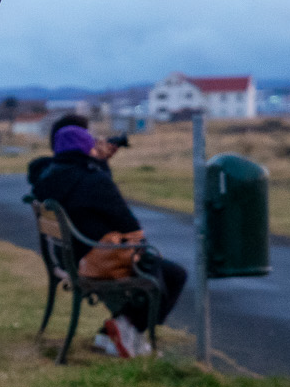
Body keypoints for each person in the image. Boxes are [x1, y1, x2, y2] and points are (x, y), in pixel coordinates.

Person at [29, 120, 186, 358]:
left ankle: (109, 333)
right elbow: (130, 226)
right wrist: (100, 164)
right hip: (97, 259)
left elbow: (43, 167)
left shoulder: (47, 177)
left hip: (67, 258)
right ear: (87, 148)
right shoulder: (94, 179)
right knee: (173, 274)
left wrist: (95, 161)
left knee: (157, 268)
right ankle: (126, 327)